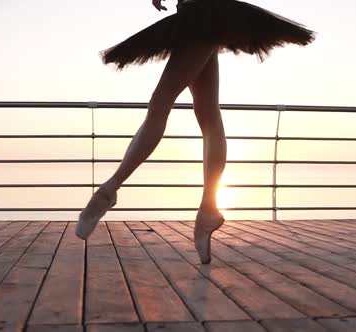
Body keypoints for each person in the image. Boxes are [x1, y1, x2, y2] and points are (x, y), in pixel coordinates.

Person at [76, 0, 315, 264]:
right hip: (198, 15)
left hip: (205, 12)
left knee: (161, 102)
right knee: (208, 113)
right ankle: (208, 209)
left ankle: (108, 192)